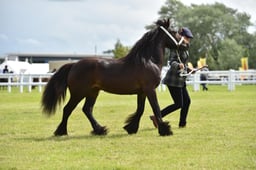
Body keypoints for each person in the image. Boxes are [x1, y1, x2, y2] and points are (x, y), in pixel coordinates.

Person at [150, 27, 193, 128]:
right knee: (179, 104)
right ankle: (157, 116)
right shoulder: (175, 48)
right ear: (181, 37)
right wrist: (178, 65)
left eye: (189, 38)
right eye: (187, 37)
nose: (188, 40)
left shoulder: (185, 48)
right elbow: (172, 61)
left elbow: (184, 63)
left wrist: (189, 69)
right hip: (173, 80)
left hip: (181, 80)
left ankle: (182, 124)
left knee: (187, 102)